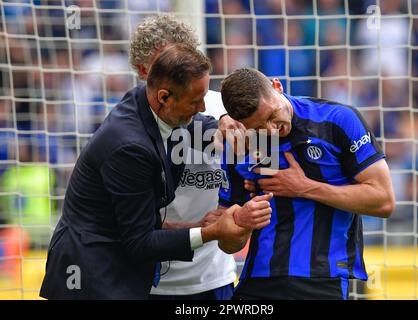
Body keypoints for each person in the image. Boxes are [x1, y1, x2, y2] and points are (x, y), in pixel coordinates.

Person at [39, 46, 272, 300]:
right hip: (92, 278)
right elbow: (140, 242)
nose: (203, 106)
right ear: (163, 97)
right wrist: (211, 232)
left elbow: (196, 126)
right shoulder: (130, 148)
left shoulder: (145, 102)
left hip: (115, 269)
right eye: (195, 101)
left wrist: (226, 124)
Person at [219, 67, 396, 300]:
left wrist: (304, 187)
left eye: (273, 115)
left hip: (322, 279)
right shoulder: (239, 143)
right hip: (258, 278)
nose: (273, 129)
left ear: (277, 86)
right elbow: (228, 244)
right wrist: (241, 221)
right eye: (260, 127)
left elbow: (383, 201)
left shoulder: (337, 120)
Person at [128, 14, 245, 300]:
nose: (176, 70)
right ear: (145, 72)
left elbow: (259, 170)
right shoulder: (129, 124)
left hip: (212, 275)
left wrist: (235, 211)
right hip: (145, 279)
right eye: (164, 65)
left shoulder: (222, 109)